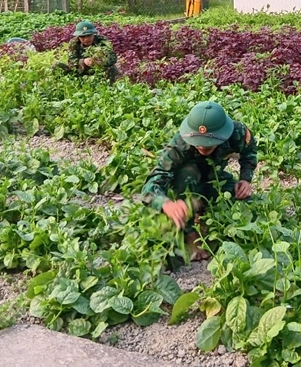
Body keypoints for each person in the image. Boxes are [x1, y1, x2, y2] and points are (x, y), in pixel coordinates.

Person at [141, 101, 258, 260]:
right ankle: (190, 231)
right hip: (186, 183)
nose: (202, 147)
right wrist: (165, 203)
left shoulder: (237, 133)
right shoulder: (179, 144)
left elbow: (249, 151)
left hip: (214, 179)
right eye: (198, 143)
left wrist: (245, 179)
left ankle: (204, 208)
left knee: (246, 203)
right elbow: (152, 183)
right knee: (187, 173)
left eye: (209, 144)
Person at [54, 21, 119, 82]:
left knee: (112, 68)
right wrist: (83, 61)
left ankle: (109, 87)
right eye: (82, 37)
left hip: (99, 71)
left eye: (89, 35)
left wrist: (100, 61)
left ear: (93, 34)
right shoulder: (74, 43)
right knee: (57, 66)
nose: (86, 39)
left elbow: (112, 57)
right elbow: (71, 61)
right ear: (78, 37)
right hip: (81, 71)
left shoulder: (102, 40)